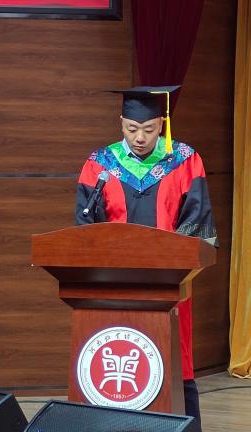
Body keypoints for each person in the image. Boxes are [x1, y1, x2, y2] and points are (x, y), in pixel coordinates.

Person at [75, 86, 218, 432]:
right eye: (131, 128)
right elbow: (84, 227)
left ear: (162, 125)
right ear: (121, 123)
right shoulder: (100, 164)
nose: (139, 138)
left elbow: (197, 224)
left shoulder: (184, 160)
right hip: (114, 288)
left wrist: (170, 269)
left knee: (175, 358)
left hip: (169, 284)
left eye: (149, 129)